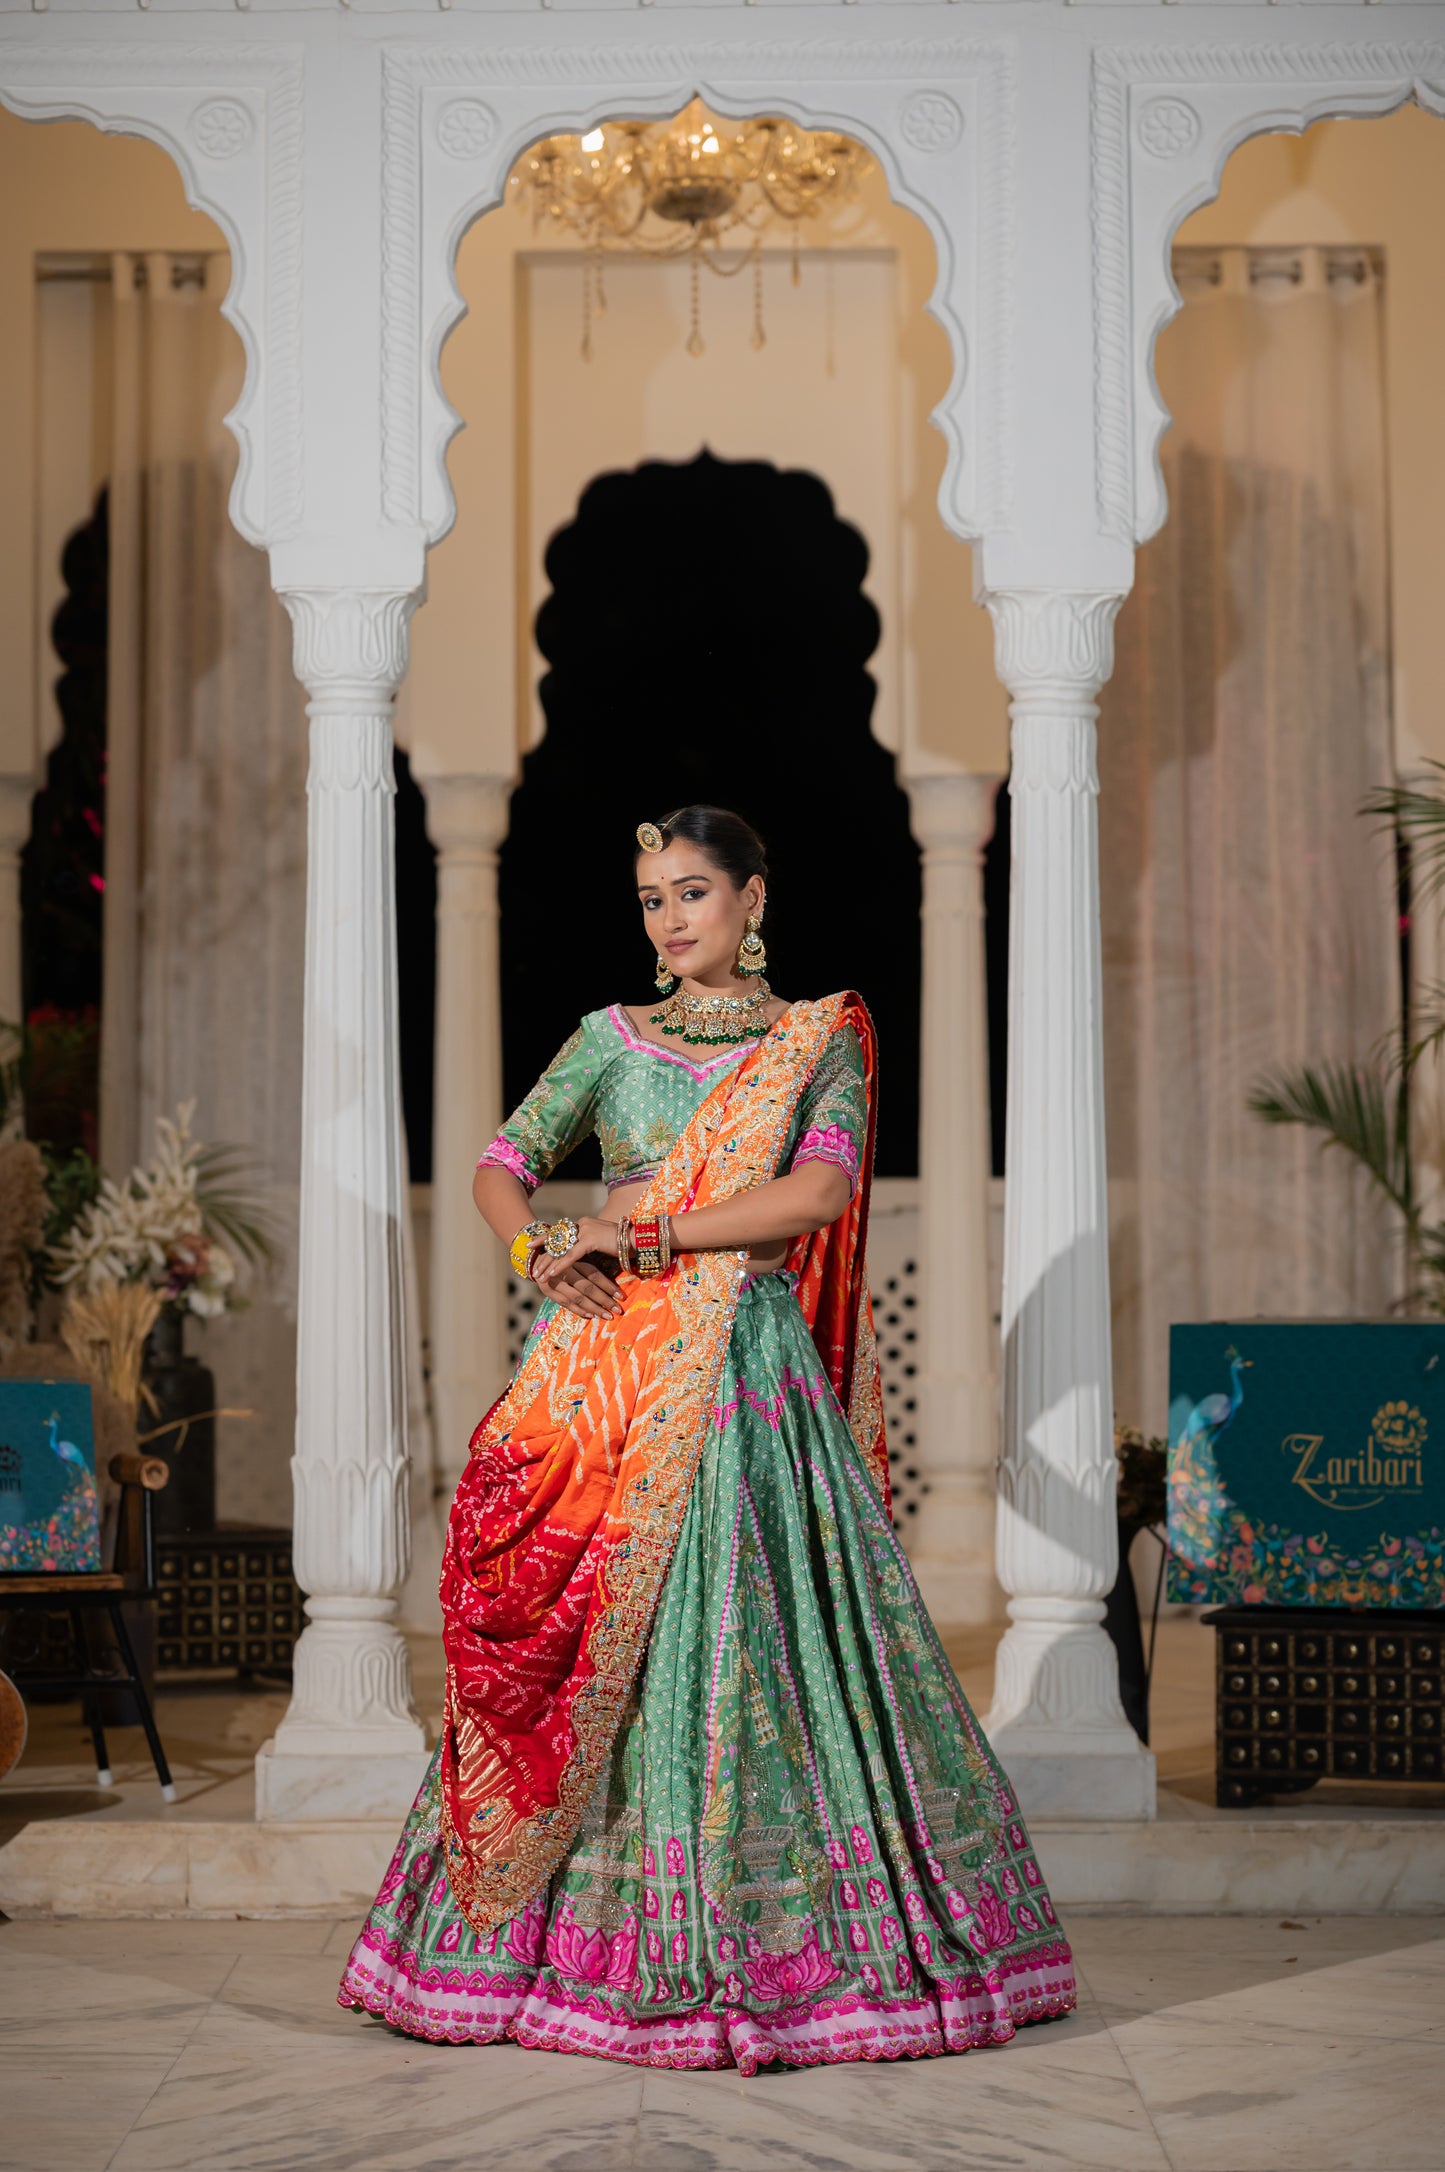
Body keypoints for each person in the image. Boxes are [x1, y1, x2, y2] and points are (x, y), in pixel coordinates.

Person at [339, 804, 1074, 2072]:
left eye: (691, 892)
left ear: (750, 898)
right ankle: (542, 1947)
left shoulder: (813, 1040)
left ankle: (789, 1947)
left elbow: (818, 1194)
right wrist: (537, 1246)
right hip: (606, 1370)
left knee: (752, 1629)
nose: (669, 918)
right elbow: (500, 1161)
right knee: (582, 1630)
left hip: (744, 1367)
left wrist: (648, 1231)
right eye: (649, 899)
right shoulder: (607, 1041)